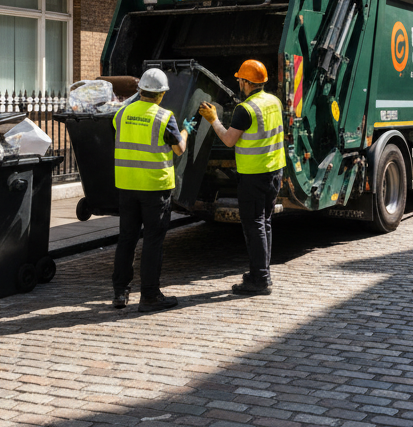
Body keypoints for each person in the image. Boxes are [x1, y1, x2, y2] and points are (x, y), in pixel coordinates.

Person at [199, 59, 286, 296]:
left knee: (254, 224)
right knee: (265, 222)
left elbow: (228, 140)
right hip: (274, 171)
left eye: (240, 80)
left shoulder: (244, 110)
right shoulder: (274, 101)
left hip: (254, 175)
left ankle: (260, 279)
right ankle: (261, 271)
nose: (238, 82)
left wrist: (213, 118)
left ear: (247, 83)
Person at [111, 68, 194, 312]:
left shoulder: (121, 114)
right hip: (154, 188)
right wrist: (187, 129)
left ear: (140, 91)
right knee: (152, 242)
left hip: (126, 186)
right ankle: (149, 296)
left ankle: (120, 292)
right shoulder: (164, 116)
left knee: (126, 239)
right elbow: (179, 149)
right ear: (161, 94)